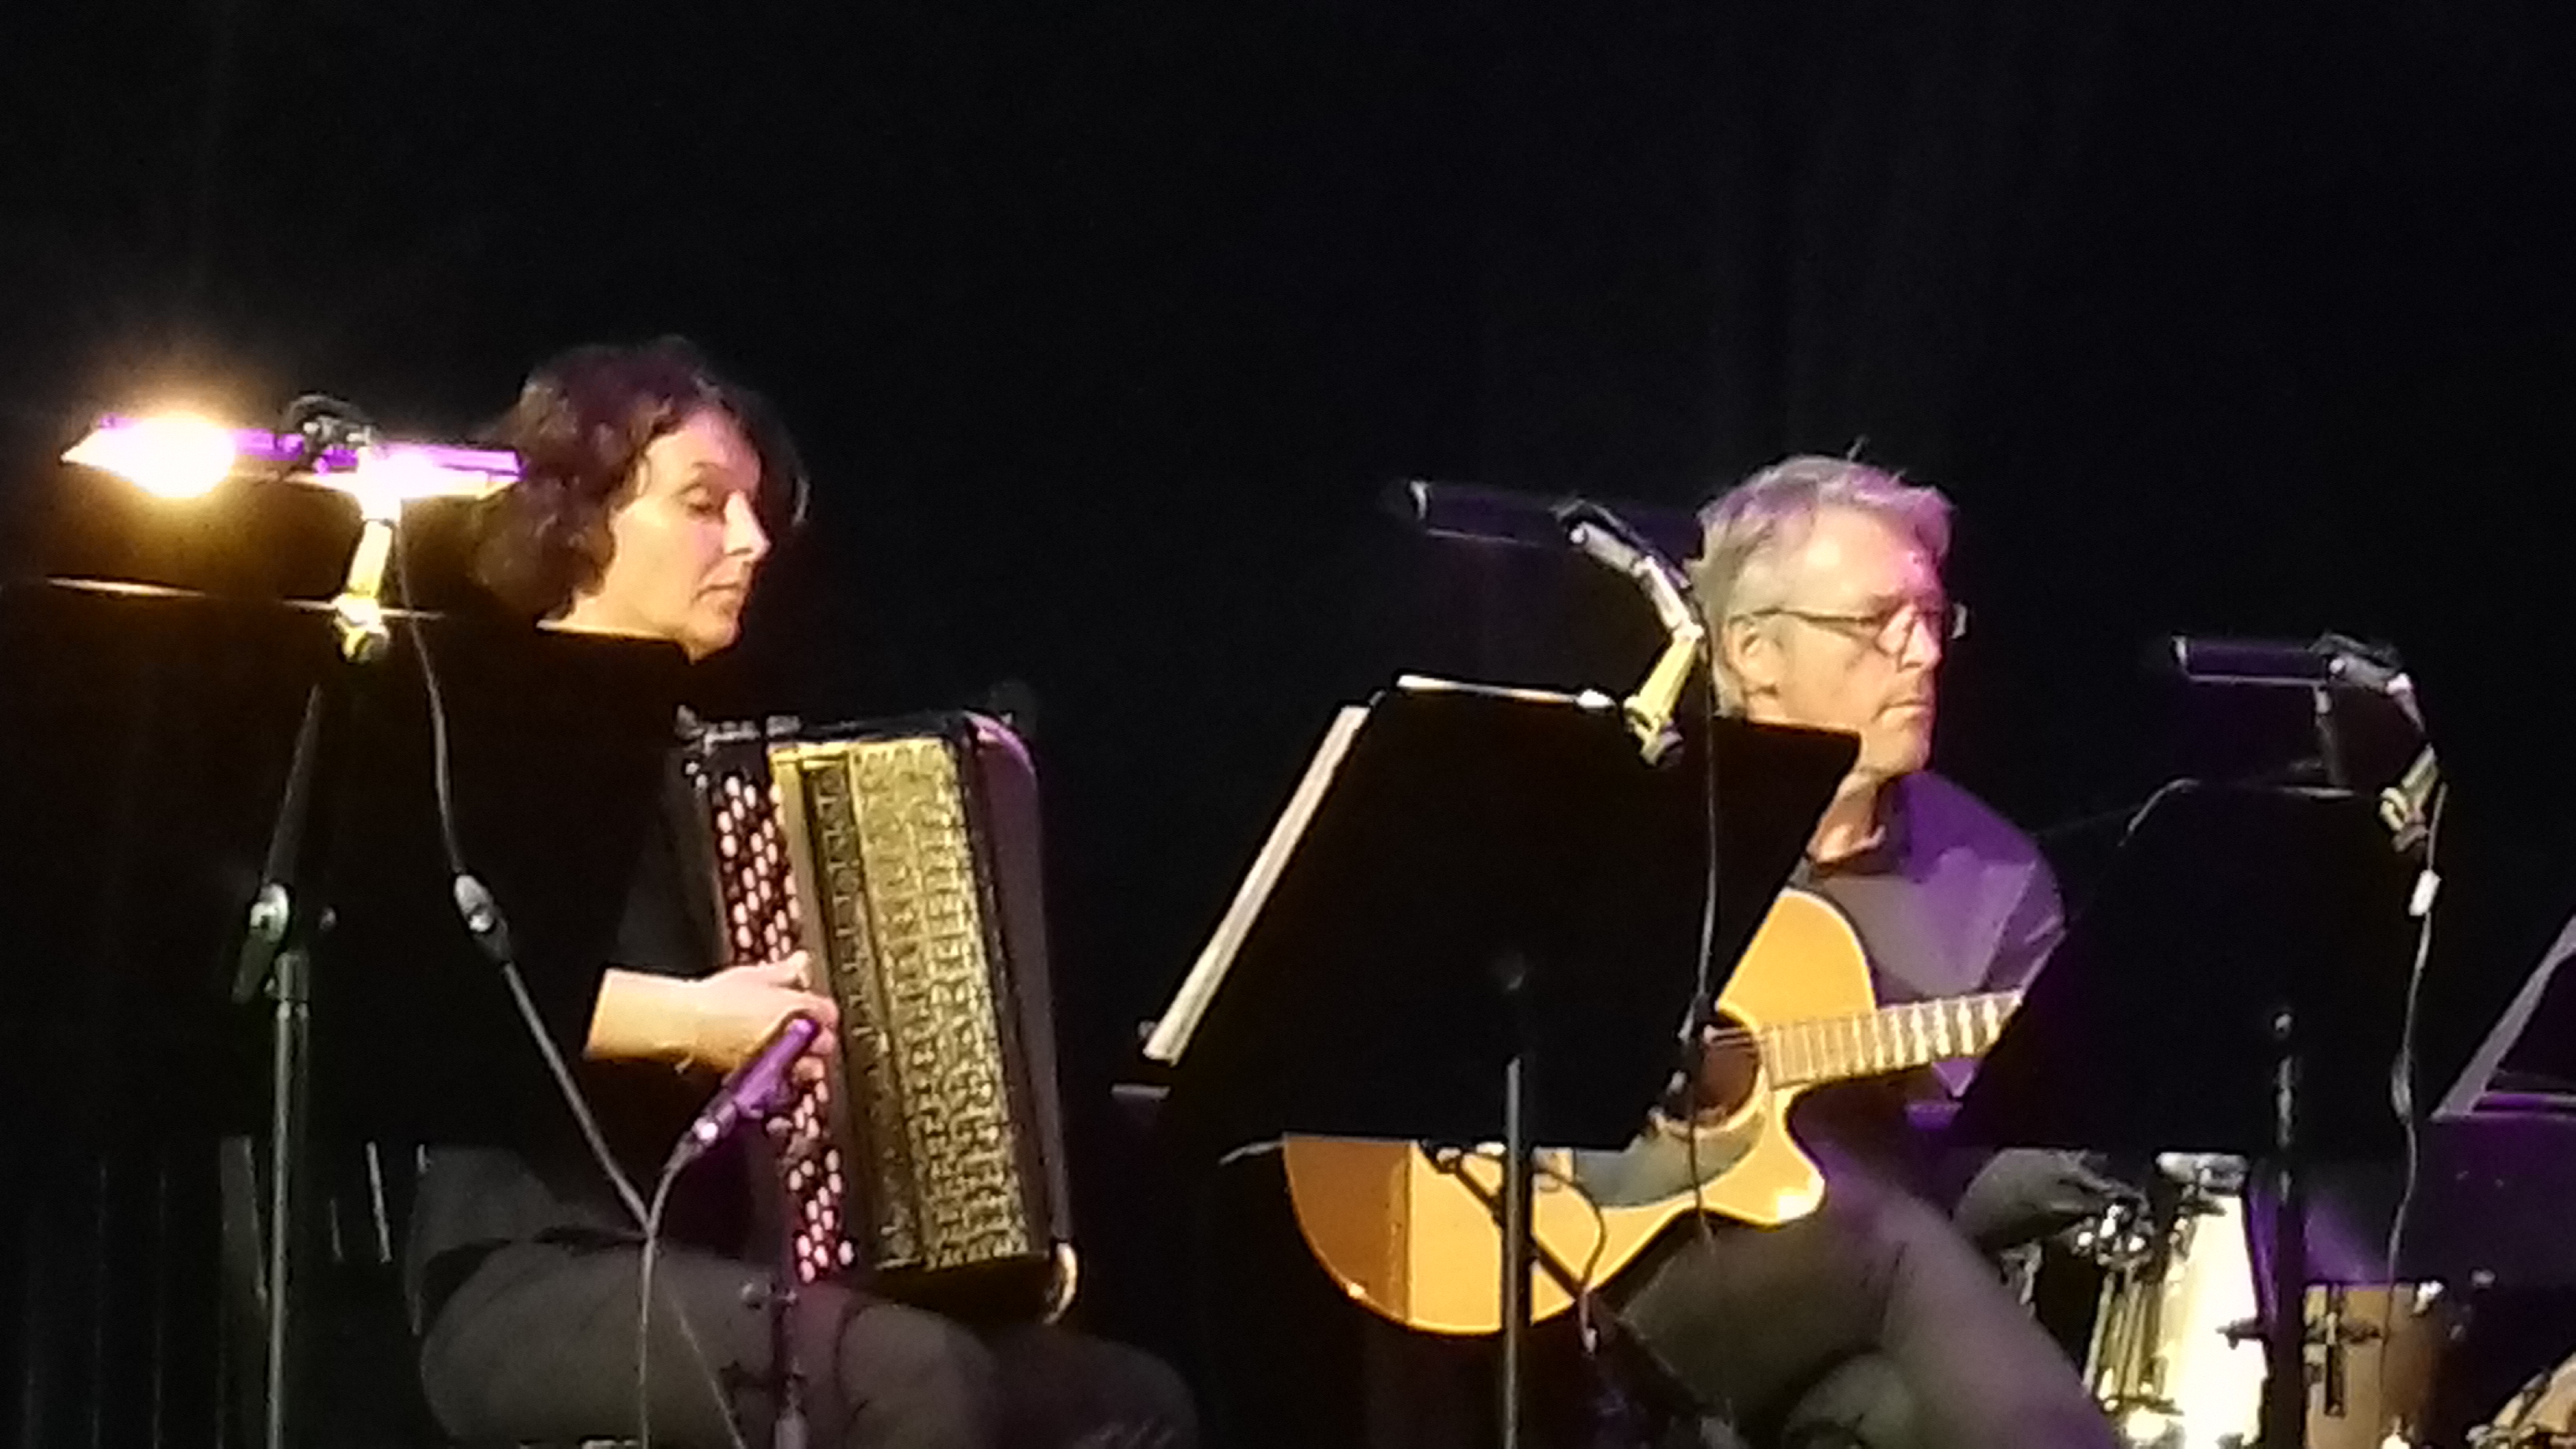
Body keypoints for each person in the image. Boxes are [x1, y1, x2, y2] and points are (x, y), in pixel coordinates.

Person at [405, 337, 1197, 1449]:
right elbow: (439, 996)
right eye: (704, 504)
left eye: (755, 509)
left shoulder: (712, 763)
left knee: (1130, 1401)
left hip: (726, 1270)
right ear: (577, 521)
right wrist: (695, 1020)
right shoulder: (476, 731)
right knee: (912, 1378)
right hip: (533, 1276)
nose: (752, 540)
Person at [1597, 455, 2122, 1449]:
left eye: (1932, 618)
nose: (1921, 654)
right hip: (1626, 1272)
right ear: (1754, 651)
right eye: (1877, 622)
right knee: (1887, 1232)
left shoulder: (1995, 876)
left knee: (1900, 1407)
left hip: (1858, 1304)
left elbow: (1998, 1162)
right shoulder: (1642, 824)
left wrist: (2097, 1142)